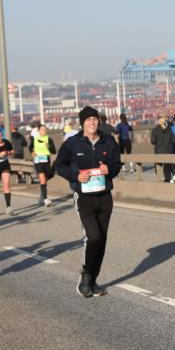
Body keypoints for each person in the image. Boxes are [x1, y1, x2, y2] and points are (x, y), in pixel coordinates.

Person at [54, 106, 122, 298]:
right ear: (82, 123)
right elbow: (59, 165)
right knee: (92, 237)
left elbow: (117, 164)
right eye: (88, 120)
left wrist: (110, 169)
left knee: (102, 239)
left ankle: (93, 280)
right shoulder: (73, 143)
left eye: (95, 119)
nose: (92, 122)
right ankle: (86, 274)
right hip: (84, 197)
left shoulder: (108, 141)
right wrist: (76, 176)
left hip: (104, 196)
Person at [29, 124, 57, 206]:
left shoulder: (49, 139)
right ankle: (45, 199)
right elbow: (30, 147)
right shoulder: (35, 139)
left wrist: (48, 146)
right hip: (38, 161)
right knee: (42, 179)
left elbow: (54, 151)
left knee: (47, 177)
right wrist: (32, 152)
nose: (43, 131)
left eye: (45, 130)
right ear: (38, 131)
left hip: (46, 160)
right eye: (42, 129)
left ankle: (42, 196)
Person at [150, 115, 175, 182]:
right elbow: (173, 140)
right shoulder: (169, 129)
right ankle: (167, 179)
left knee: (158, 165)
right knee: (167, 166)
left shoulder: (155, 130)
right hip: (168, 151)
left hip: (159, 151)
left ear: (158, 122)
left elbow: (153, 141)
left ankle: (160, 178)